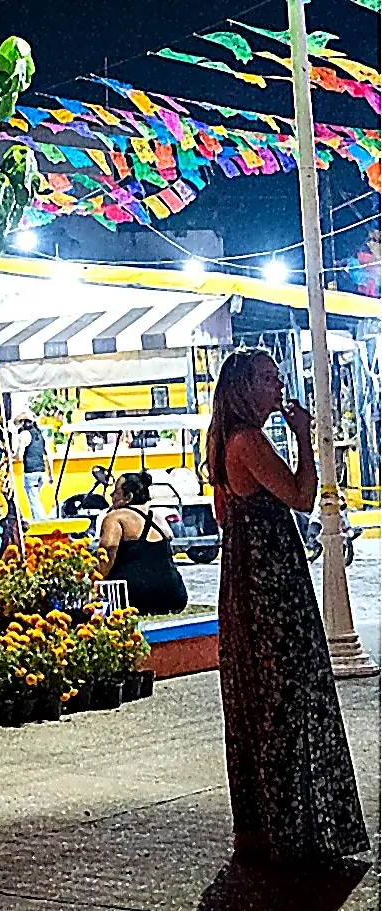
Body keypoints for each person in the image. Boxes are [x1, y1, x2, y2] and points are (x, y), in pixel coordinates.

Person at [206, 347, 368, 864]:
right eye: (268, 380)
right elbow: (301, 495)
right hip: (272, 586)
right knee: (288, 696)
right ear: (244, 388)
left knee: (263, 699)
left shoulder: (225, 442)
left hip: (251, 580)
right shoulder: (248, 441)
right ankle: (296, 830)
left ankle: (269, 828)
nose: (278, 388)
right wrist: (304, 435)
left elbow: (226, 516)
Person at [95, 471, 188, 616]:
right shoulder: (158, 518)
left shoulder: (116, 517)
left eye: (116, 492)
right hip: (174, 594)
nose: (111, 496)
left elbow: (107, 551)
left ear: (128, 497)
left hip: (135, 596)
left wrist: (95, 581)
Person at [13, 411, 51, 521]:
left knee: (33, 500)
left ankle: (42, 522)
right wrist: (51, 474)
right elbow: (47, 455)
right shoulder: (40, 435)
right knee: (36, 498)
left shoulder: (24, 435)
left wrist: (12, 455)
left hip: (30, 472)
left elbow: (19, 456)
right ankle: (39, 520)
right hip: (42, 472)